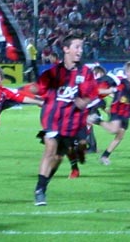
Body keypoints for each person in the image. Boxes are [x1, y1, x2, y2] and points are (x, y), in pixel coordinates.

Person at [28, 31, 99, 206]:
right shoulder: (53, 73)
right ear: (66, 49)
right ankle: (39, 190)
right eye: (77, 47)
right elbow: (37, 88)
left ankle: (43, 184)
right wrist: (33, 90)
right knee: (50, 149)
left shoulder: (86, 73)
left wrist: (84, 101)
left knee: (58, 158)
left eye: (82, 47)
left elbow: (92, 94)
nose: (80, 50)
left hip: (72, 123)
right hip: (52, 119)